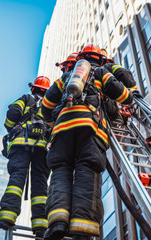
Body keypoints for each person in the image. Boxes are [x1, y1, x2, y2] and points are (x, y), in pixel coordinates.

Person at [42, 44, 133, 240]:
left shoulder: (66, 77)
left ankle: (57, 222)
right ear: (100, 59)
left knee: (60, 172)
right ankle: (82, 229)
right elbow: (117, 90)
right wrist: (131, 99)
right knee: (86, 172)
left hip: (61, 130)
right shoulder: (100, 71)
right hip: (90, 128)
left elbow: (46, 105)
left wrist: (53, 120)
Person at [0, 76, 51, 238]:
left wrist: (11, 127)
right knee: (40, 186)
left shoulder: (26, 98)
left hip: (21, 146)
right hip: (42, 149)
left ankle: (7, 216)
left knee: (17, 179)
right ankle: (41, 226)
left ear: (33, 88)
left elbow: (13, 112)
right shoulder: (51, 105)